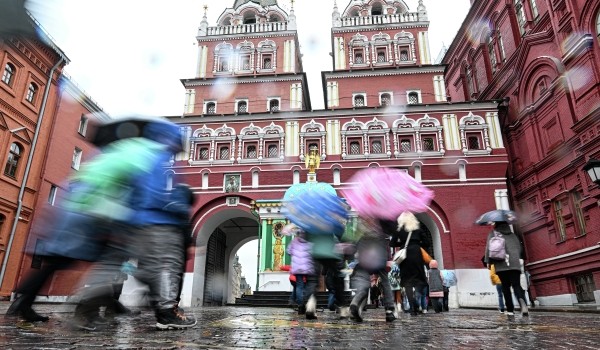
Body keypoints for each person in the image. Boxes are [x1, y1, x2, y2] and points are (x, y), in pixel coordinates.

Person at [71, 120, 197, 330]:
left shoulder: (132, 149)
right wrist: (174, 210)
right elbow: (150, 194)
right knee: (165, 263)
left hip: (111, 213)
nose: (180, 148)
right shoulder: (155, 155)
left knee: (112, 264)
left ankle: (85, 311)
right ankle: (166, 312)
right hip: (139, 218)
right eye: (179, 142)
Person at [349, 219, 396, 322]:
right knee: (385, 282)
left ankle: (356, 301)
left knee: (363, 281)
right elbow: (392, 232)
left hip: (364, 252)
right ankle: (389, 310)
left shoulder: (362, 215)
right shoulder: (382, 217)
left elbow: (354, 241)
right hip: (379, 252)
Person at [388, 212, 429, 316]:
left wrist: (402, 244)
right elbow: (427, 243)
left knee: (407, 282)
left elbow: (391, 243)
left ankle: (412, 307)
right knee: (419, 279)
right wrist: (416, 243)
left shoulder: (400, 230)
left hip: (405, 255)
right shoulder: (418, 229)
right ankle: (416, 298)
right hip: (416, 254)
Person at [484, 221, 528, 317]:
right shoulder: (512, 235)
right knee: (516, 285)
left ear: (496, 224)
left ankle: (510, 310)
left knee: (505, 286)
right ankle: (522, 302)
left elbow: (489, 249)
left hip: (501, 264)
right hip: (515, 264)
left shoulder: (493, 234)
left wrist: (488, 262)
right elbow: (519, 248)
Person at [286, 230, 314, 313]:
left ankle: (300, 305)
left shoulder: (294, 242)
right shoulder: (309, 242)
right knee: (308, 285)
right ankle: (308, 303)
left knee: (299, 286)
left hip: (297, 267)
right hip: (307, 267)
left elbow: (288, 251)